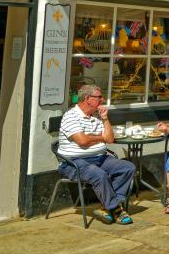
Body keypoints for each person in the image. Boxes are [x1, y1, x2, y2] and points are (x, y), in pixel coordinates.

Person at [57, 84, 135, 225]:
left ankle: (107, 207)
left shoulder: (97, 117)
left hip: (99, 158)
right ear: (88, 98)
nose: (102, 99)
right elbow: (82, 141)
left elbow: (109, 139)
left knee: (128, 167)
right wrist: (100, 138)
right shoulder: (70, 116)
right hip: (73, 162)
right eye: (99, 97)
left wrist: (105, 119)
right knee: (99, 174)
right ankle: (116, 209)